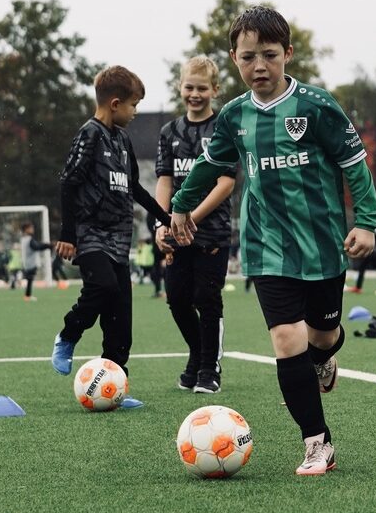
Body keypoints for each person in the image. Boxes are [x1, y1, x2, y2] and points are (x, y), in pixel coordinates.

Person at [170, 6, 376, 476]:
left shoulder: (316, 106)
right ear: (233, 59)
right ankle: (317, 442)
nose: (258, 66)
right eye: (248, 57)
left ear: (287, 53)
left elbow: (354, 165)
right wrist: (181, 204)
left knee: (322, 337)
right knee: (288, 341)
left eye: (268, 54)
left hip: (324, 244)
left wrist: (366, 222)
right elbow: (209, 164)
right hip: (266, 247)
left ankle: (325, 360)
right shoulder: (233, 116)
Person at [50, 66, 172, 408]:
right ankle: (68, 334)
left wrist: (167, 218)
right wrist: (68, 233)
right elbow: (68, 182)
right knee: (102, 288)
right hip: (90, 235)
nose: (135, 113)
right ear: (115, 103)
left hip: (120, 240)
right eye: (134, 105)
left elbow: (135, 188)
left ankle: (114, 388)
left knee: (121, 321)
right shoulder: (89, 135)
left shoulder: (122, 140)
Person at [154, 55, 237, 394]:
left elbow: (225, 182)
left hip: (211, 231)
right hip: (175, 231)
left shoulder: (223, 128)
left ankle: (208, 366)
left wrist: (189, 217)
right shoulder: (168, 132)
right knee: (176, 298)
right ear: (180, 87)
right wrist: (162, 223)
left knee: (207, 297)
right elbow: (164, 180)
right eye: (189, 87)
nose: (195, 94)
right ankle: (196, 353)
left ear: (214, 90)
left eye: (202, 88)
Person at [346, 226, 376, 294]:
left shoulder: (372, 226)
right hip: (373, 252)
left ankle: (358, 288)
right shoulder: (370, 225)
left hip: (373, 252)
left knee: (363, 268)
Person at [19, 222, 52, 301]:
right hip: (30, 263)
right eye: (31, 228)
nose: (32, 230)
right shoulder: (29, 239)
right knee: (30, 279)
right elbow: (37, 247)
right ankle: (28, 296)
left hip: (26, 262)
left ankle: (27, 295)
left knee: (30, 279)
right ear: (26, 229)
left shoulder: (23, 239)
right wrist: (48, 246)